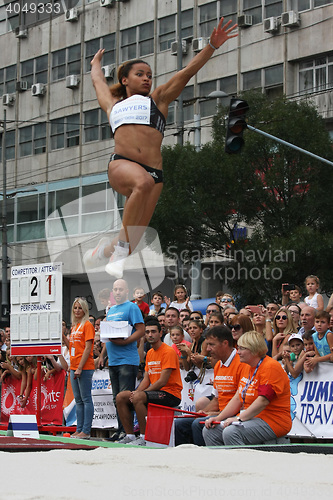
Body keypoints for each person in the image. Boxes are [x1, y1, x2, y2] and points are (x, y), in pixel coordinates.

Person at [84, 18, 238, 278]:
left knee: (134, 237)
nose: (146, 79)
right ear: (124, 80)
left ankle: (105, 250)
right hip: (122, 165)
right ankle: (120, 249)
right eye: (140, 75)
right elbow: (98, 81)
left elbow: (186, 72)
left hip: (155, 173)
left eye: (149, 76)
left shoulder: (159, 99)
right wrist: (94, 64)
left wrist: (212, 45)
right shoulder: (113, 105)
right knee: (140, 184)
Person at [203, 331, 292, 446]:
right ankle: (222, 462)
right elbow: (237, 399)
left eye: (242, 348)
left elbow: (263, 401)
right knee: (210, 430)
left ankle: (242, 462)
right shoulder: (247, 366)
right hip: (252, 418)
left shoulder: (270, 367)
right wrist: (218, 418)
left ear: (254, 350)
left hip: (273, 421)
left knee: (232, 432)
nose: (238, 352)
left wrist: (239, 418)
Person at [175, 325, 246, 446]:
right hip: (220, 412)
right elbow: (216, 399)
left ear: (225, 343)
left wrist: (214, 414)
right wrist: (205, 411)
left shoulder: (241, 363)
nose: (208, 349)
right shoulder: (218, 365)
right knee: (180, 423)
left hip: (234, 414)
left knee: (198, 424)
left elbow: (241, 401)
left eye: (211, 345)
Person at [116, 318, 182, 446]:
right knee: (121, 397)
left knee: (139, 397)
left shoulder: (168, 351)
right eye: (147, 332)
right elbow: (146, 379)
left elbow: (162, 381)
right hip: (156, 392)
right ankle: (129, 435)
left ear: (160, 333)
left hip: (171, 394)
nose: (150, 335)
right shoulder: (150, 353)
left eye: (153, 332)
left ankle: (144, 437)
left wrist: (140, 394)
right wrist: (136, 392)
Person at [101, 279, 145, 440]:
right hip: (113, 360)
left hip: (127, 360)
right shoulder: (111, 310)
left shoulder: (132, 307)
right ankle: (122, 430)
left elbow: (141, 330)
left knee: (125, 398)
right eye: (115, 289)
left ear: (127, 291)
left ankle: (128, 433)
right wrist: (102, 355)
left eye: (120, 289)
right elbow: (108, 335)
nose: (118, 292)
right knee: (116, 398)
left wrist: (127, 341)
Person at [65, 297, 95, 439]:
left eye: (80, 308)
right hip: (73, 366)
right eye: (75, 308)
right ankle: (79, 429)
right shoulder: (74, 326)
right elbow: (71, 346)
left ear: (85, 310)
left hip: (84, 367)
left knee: (86, 398)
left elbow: (88, 348)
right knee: (78, 400)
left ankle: (86, 431)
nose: (77, 310)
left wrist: (80, 367)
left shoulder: (87, 325)